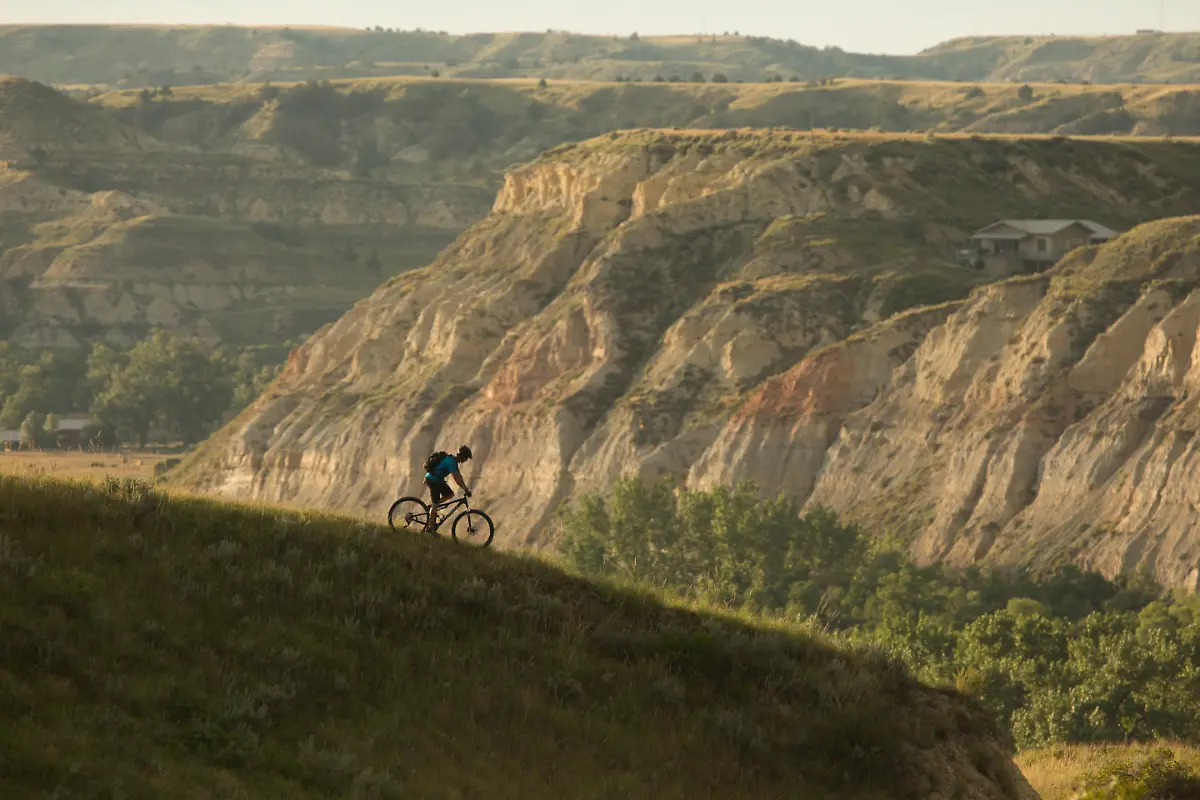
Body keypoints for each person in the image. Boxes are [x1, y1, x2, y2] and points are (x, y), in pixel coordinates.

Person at [423, 445, 473, 529]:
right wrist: (465, 489)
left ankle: (433, 507)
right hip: (432, 480)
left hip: (438, 480)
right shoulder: (451, 462)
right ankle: (430, 527)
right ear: (462, 456)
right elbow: (456, 478)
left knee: (449, 494)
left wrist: (466, 489)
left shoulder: (453, 462)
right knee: (435, 504)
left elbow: (459, 477)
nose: (466, 460)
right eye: (466, 458)